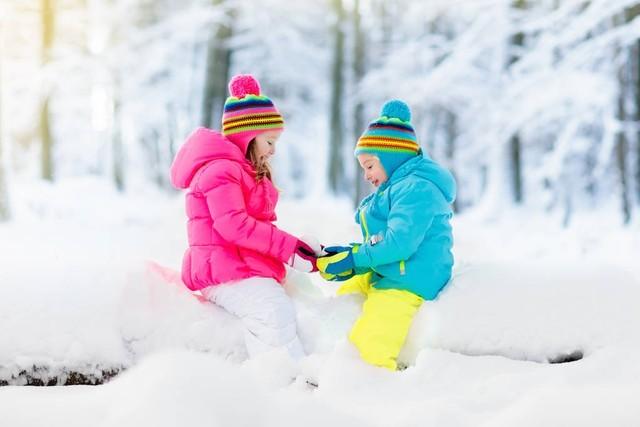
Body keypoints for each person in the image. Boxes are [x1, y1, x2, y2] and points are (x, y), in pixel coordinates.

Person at [170, 74, 318, 360]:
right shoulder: (220, 172)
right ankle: (285, 380)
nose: (274, 151)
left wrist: (299, 249)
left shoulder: (242, 171)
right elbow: (234, 226)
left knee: (285, 302)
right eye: (270, 141)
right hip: (221, 270)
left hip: (235, 264)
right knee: (270, 308)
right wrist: (288, 249)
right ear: (248, 136)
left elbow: (255, 229)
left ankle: (293, 373)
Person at [317, 100, 457, 370]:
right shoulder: (396, 188)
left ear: (392, 158)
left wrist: (357, 259)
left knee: (372, 339)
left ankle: (370, 377)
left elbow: (399, 244)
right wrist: (350, 255)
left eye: (370, 166)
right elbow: (383, 239)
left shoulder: (417, 190)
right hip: (391, 269)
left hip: (411, 278)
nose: (366, 176)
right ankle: (326, 356)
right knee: (344, 299)